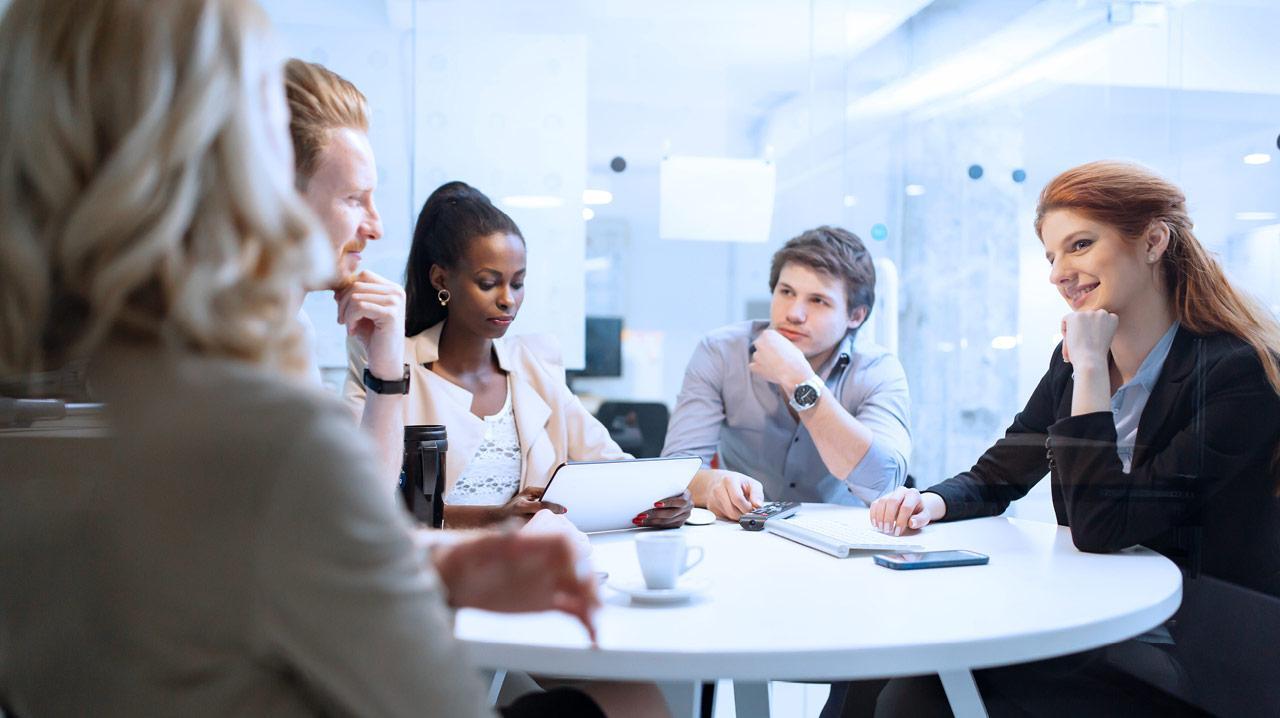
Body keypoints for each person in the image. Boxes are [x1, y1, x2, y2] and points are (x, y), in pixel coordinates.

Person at [0, 2, 606, 716]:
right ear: (230, 168)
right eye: (354, 198)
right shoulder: (270, 437)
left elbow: (239, 565)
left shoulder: (75, 414)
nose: (377, 227)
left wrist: (432, 562)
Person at [856, 161, 1280, 717]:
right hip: (1103, 620)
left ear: (1153, 240)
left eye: (1079, 245)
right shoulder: (1078, 362)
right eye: (1051, 256)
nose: (1059, 272)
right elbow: (999, 473)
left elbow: (1102, 526)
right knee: (881, 658)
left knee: (918, 694)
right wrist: (929, 501)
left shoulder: (1235, 371)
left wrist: (1087, 371)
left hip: (1190, 653)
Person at [345, 181, 693, 530]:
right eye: (488, 282)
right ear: (441, 279)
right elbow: (358, 497)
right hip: (425, 571)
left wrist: (664, 499)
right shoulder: (387, 364)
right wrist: (492, 518)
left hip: (529, 569)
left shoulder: (534, 365)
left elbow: (614, 466)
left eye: (517, 282)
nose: (507, 299)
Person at [662, 226, 912, 520]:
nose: (794, 313)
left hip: (842, 534)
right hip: (745, 530)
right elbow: (676, 472)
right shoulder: (721, 352)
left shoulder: (877, 369)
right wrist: (713, 484)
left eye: (818, 300)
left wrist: (800, 382)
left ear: (855, 316)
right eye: (786, 292)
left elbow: (882, 483)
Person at [285, 58, 405, 485]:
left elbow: (361, 506)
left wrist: (387, 368)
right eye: (355, 198)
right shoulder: (223, 346)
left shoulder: (293, 331)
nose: (376, 227)